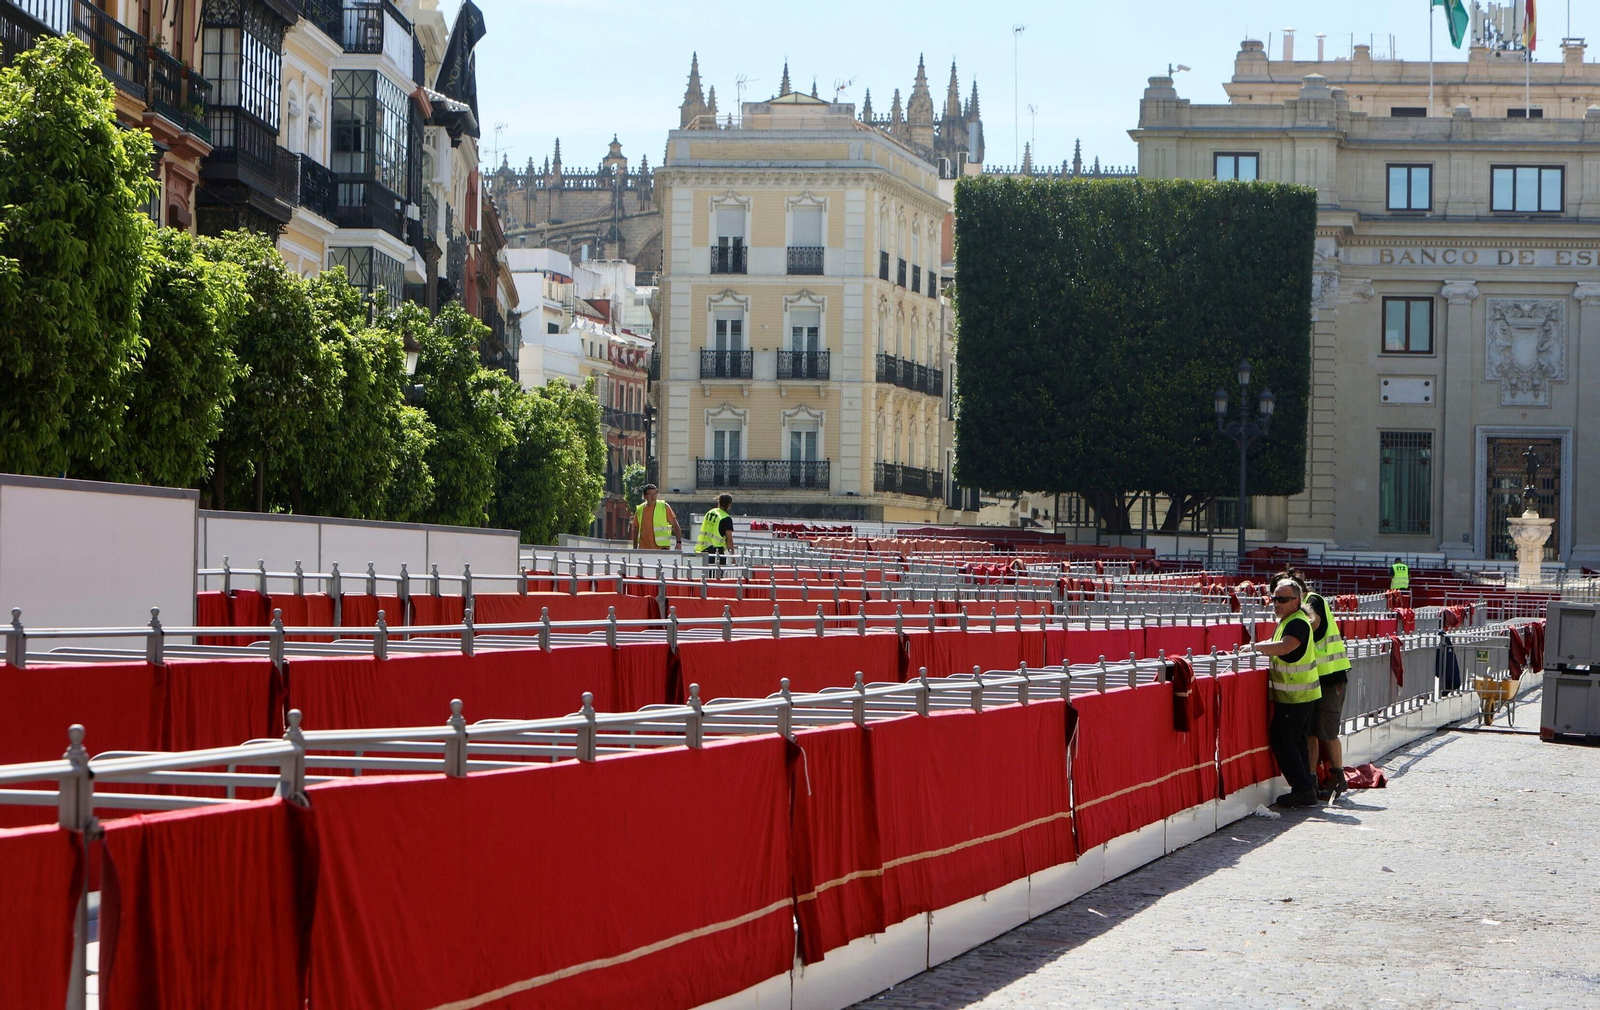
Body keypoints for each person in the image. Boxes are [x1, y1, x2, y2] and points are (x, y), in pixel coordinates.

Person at [1241, 574, 1322, 808]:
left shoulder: (1296, 622)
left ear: (1296, 601)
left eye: (1282, 599)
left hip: (1297, 696)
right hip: (1299, 695)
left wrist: (1254, 647)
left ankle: (1303, 790)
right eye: (1274, 598)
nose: (1276, 603)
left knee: (1283, 741)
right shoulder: (1289, 620)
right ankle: (1307, 786)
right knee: (1295, 742)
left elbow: (1286, 647)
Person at [1301, 581, 1351, 798]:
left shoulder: (1311, 600)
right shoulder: (1308, 602)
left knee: (1328, 731)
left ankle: (1338, 778)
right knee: (1311, 731)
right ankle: (1312, 779)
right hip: (1314, 677)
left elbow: (1315, 622)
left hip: (1331, 677)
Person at [631, 484, 683, 552]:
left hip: (662, 548)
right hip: (644, 549)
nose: (653, 496)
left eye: (655, 493)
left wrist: (678, 542)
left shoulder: (664, 506)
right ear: (644, 496)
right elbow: (636, 530)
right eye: (650, 494)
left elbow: (675, 525)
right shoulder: (640, 509)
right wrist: (635, 549)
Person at [696, 493, 734, 569]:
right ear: (729, 504)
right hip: (716, 553)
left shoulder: (709, 513)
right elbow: (729, 539)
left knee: (706, 576)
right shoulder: (726, 518)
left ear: (719, 502)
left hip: (703, 550)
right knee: (717, 577)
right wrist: (733, 556)